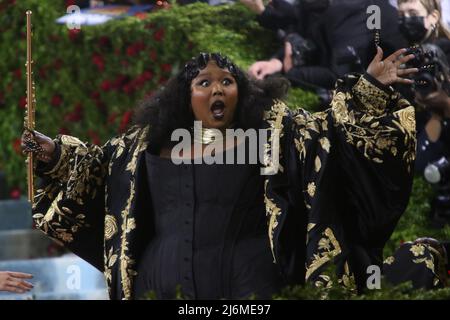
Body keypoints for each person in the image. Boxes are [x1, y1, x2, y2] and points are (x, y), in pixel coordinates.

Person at [23, 49, 417, 299]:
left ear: (241, 92)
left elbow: (336, 138)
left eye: (226, 81)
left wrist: (370, 89)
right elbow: (95, 170)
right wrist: (53, 151)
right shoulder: (141, 144)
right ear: (186, 95)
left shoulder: (279, 134)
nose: (216, 90)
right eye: (204, 82)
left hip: (253, 291)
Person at [240, 0, 406, 106]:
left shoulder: (358, 8)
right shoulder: (327, 7)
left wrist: (290, 72)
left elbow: (340, 76)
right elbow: (312, 43)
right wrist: (276, 63)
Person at [397, 0, 450, 174]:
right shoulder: (407, 55)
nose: (406, 20)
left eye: (412, 14)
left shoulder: (445, 51)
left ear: (433, 17)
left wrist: (445, 102)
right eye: (401, 15)